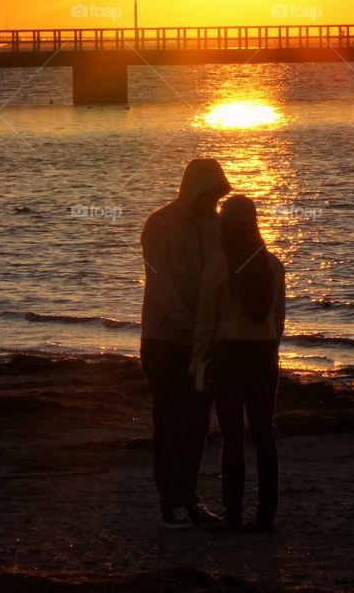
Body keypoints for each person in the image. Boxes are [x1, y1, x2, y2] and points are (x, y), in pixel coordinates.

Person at [140, 157, 231, 530]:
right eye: (209, 194)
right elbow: (160, 287)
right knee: (169, 422)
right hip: (163, 341)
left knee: (197, 424)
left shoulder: (216, 225)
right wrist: (194, 327)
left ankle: (190, 498)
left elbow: (223, 279)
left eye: (218, 195)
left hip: (202, 342)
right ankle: (169, 503)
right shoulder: (159, 224)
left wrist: (215, 331)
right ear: (194, 189)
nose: (213, 201)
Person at [190, 194, 285, 534]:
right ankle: (266, 514)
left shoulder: (217, 265)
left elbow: (206, 320)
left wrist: (198, 359)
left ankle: (232, 514)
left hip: (228, 356)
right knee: (263, 436)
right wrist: (270, 348)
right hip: (263, 356)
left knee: (232, 439)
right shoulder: (273, 265)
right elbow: (279, 320)